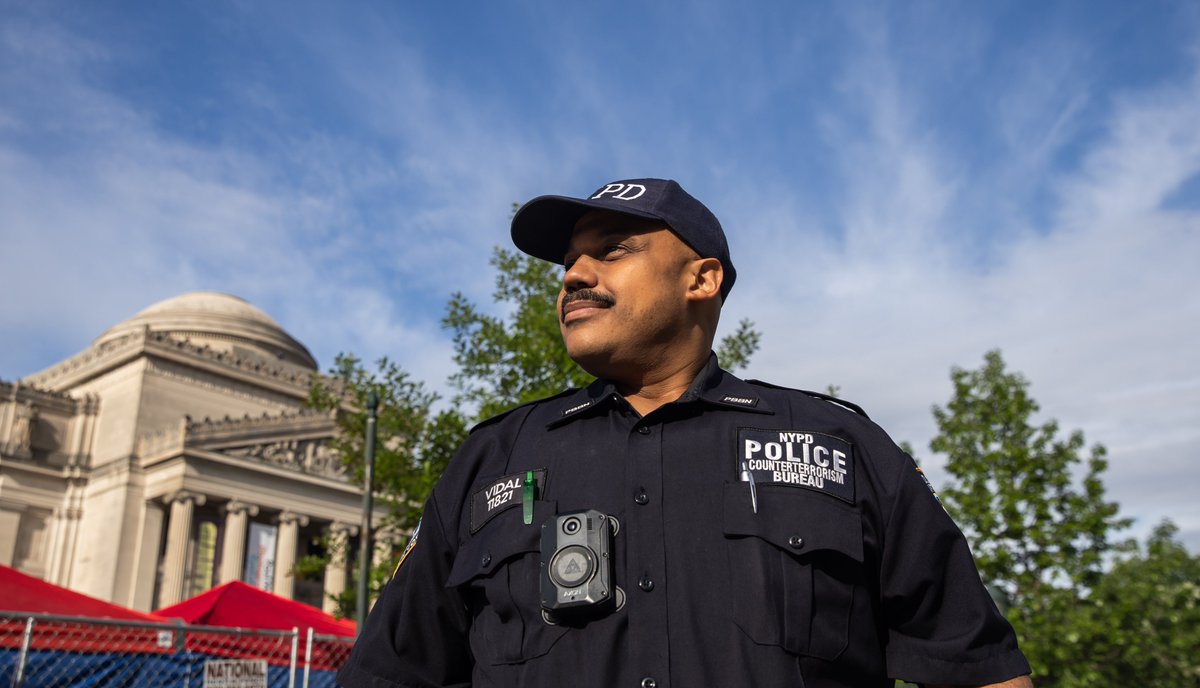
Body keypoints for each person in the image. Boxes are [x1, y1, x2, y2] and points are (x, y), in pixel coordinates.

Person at [338, 178, 1034, 688]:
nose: (574, 276)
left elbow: (977, 668)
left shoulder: (839, 447)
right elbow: (392, 673)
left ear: (701, 280)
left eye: (612, 251)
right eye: (568, 264)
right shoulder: (493, 457)